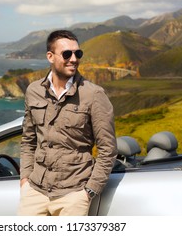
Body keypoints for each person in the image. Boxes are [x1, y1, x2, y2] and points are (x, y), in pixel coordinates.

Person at [17, 30, 117, 216]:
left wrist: (89, 191)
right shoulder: (33, 91)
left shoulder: (94, 95)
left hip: (73, 195)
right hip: (35, 191)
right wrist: (25, 179)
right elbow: (28, 140)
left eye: (77, 53)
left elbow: (108, 149)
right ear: (50, 56)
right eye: (66, 54)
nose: (74, 59)